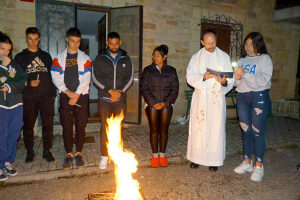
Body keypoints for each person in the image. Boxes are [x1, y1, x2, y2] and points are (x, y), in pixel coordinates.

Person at [186, 29, 234, 171]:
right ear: (202, 42)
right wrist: (203, 77)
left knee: (215, 128)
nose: (211, 46)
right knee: (198, 129)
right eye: (208, 43)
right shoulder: (196, 58)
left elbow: (229, 79)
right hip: (201, 98)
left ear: (216, 41)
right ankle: (196, 158)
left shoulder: (224, 57)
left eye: (213, 43)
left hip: (216, 99)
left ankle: (214, 160)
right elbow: (189, 77)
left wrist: (224, 81)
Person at [233, 32, 273, 182]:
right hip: (243, 96)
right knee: (245, 130)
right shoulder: (242, 60)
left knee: (258, 132)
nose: (248, 47)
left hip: (259, 97)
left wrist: (246, 75)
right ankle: (247, 162)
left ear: (258, 44)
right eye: (246, 44)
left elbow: (264, 80)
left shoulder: (265, 59)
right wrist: (236, 78)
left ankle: (259, 165)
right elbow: (237, 84)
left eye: (251, 44)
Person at [51, 28, 92, 169]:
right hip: (65, 95)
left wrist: (77, 94)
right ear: (67, 39)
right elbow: (55, 77)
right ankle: (69, 154)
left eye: (78, 41)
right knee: (67, 126)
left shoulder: (85, 58)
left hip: (81, 96)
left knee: (81, 126)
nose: (75, 44)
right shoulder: (58, 58)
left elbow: (87, 78)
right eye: (73, 41)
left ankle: (79, 154)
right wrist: (68, 92)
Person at [92, 32, 133, 170]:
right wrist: (110, 91)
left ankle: (117, 154)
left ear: (120, 43)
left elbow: (130, 78)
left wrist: (119, 92)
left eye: (116, 43)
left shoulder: (126, 59)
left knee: (119, 126)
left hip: (119, 99)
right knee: (105, 127)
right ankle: (104, 155)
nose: (114, 46)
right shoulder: (100, 58)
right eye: (111, 43)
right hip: (105, 98)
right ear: (107, 43)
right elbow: (96, 78)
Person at [14, 27, 56, 163]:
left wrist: (53, 94)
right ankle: (30, 151)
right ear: (26, 39)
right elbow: (16, 79)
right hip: (29, 97)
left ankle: (46, 150)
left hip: (46, 96)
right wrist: (28, 82)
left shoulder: (46, 56)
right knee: (28, 125)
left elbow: (52, 76)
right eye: (30, 39)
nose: (33, 42)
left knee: (48, 125)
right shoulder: (20, 57)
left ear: (39, 39)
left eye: (35, 39)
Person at [141, 45, 179, 168]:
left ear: (164, 57)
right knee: (154, 130)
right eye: (154, 55)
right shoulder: (147, 70)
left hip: (166, 104)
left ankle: (162, 154)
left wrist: (165, 103)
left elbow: (175, 89)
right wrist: (152, 102)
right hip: (151, 104)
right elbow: (144, 88)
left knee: (163, 130)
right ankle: (154, 155)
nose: (154, 58)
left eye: (158, 56)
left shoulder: (171, 71)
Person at [0, 32, 27, 181]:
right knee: (1, 134)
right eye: (2, 49)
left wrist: (10, 87)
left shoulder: (15, 65)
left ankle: (7, 161)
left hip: (16, 104)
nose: (5, 52)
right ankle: (0, 163)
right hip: (1, 106)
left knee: (14, 132)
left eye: (8, 49)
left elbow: (23, 81)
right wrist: (3, 68)